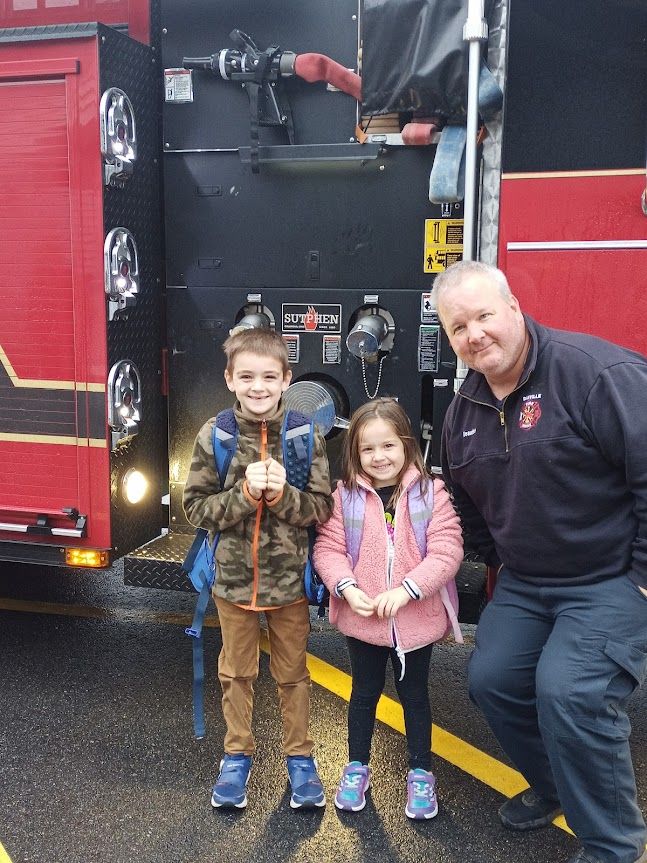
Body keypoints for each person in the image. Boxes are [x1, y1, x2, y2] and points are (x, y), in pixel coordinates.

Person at [434, 259, 647, 863]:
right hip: (528, 584)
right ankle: (555, 784)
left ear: (514, 310)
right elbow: (468, 504)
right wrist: (500, 563)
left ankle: (612, 846)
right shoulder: (462, 412)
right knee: (491, 681)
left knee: (571, 692)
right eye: (458, 327)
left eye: (484, 316)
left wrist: (641, 583)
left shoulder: (595, 375)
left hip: (610, 578)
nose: (475, 334)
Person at [183, 327, 334, 811]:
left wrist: (283, 494)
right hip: (232, 584)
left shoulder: (304, 434)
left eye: (269, 376)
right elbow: (196, 510)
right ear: (230, 379)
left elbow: (321, 509)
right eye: (246, 376)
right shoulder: (217, 434)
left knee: (293, 675)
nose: (258, 386)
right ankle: (236, 757)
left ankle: (300, 759)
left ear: (287, 379)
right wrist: (245, 496)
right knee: (236, 673)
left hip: (289, 585)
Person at [312, 398, 463, 819]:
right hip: (364, 621)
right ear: (354, 453)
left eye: (388, 446)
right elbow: (328, 548)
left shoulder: (431, 492)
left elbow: (448, 550)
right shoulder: (343, 496)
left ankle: (420, 773)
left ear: (407, 445)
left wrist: (409, 589)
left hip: (415, 622)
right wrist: (346, 586)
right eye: (367, 449)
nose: (379, 457)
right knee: (363, 694)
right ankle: (357, 766)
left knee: (415, 696)